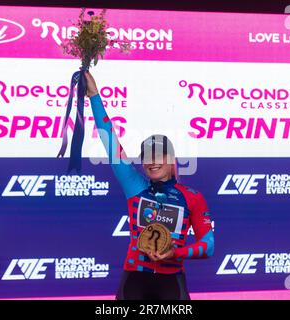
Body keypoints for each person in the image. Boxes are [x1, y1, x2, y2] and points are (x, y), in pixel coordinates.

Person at [84, 70, 214, 300]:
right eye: (147, 156)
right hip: (135, 278)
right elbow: (109, 139)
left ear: (171, 159)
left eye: (159, 155)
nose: (152, 162)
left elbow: (208, 245)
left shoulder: (192, 197)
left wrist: (176, 252)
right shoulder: (135, 186)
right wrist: (94, 95)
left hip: (171, 281)